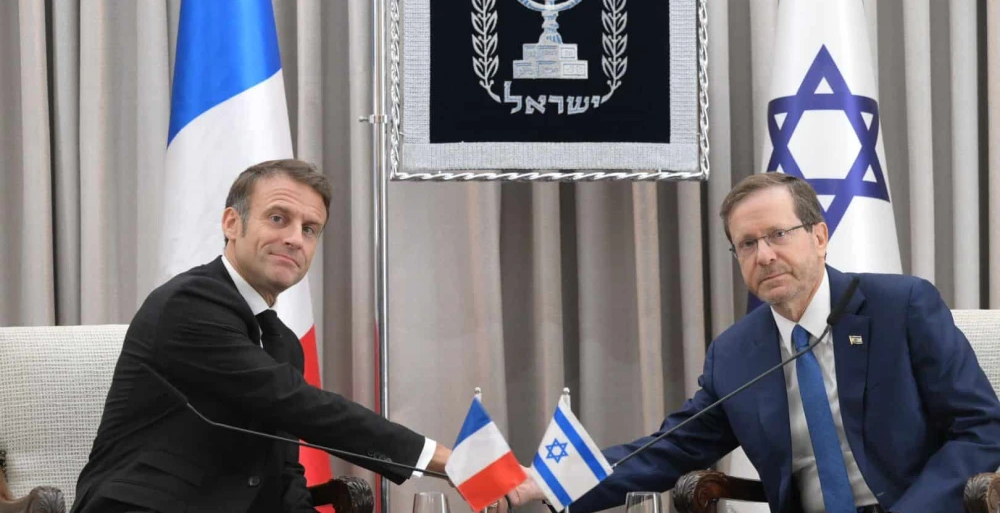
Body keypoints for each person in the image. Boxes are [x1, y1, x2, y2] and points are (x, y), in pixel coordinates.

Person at [508, 172, 1000, 513]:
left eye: (778, 235)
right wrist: (548, 480)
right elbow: (667, 449)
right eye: (746, 243)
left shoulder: (900, 306)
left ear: (820, 236)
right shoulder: (737, 354)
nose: (764, 255)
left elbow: (982, 428)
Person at [73, 159, 450, 513]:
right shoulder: (189, 303)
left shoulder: (281, 340)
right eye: (277, 218)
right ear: (231, 224)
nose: (294, 240)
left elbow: (283, 475)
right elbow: (294, 402)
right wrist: (446, 461)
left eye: (308, 229)